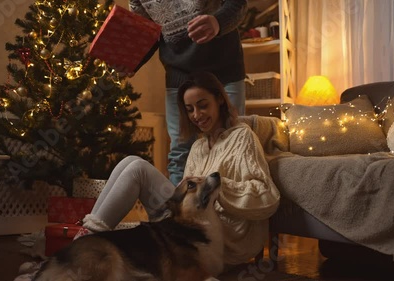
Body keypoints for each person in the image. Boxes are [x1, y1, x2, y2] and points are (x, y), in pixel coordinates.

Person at [77, 71, 280, 268]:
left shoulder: (242, 137)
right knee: (129, 161)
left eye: (202, 106)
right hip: (191, 231)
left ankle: (82, 248)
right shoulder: (198, 146)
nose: (196, 115)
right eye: (190, 109)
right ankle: (86, 238)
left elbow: (266, 195)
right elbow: (188, 206)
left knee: (138, 168)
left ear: (219, 99)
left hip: (223, 239)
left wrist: (215, 187)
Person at [129, 0, 248, 186]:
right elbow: (147, 32)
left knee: (233, 142)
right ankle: (182, 212)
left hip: (224, 66)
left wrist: (218, 22)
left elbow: (238, 4)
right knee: (180, 152)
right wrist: (131, 62)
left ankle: (231, 207)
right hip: (179, 73)